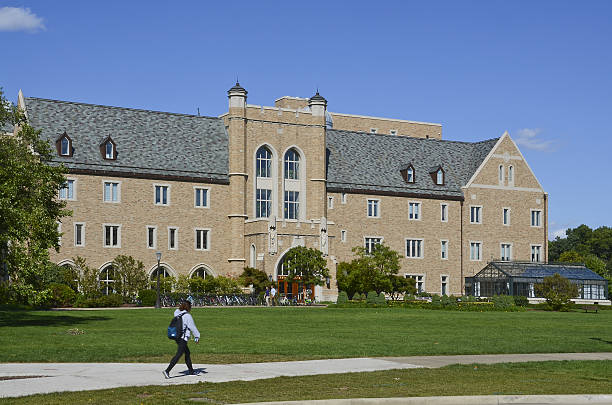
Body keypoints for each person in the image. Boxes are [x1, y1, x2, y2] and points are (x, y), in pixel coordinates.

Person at [163, 301, 200, 378]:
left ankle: (191, 370)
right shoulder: (187, 316)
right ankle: (167, 371)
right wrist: (197, 336)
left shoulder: (177, 313)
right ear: (188, 307)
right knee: (179, 354)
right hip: (183, 338)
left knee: (187, 352)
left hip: (177, 336)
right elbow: (192, 327)